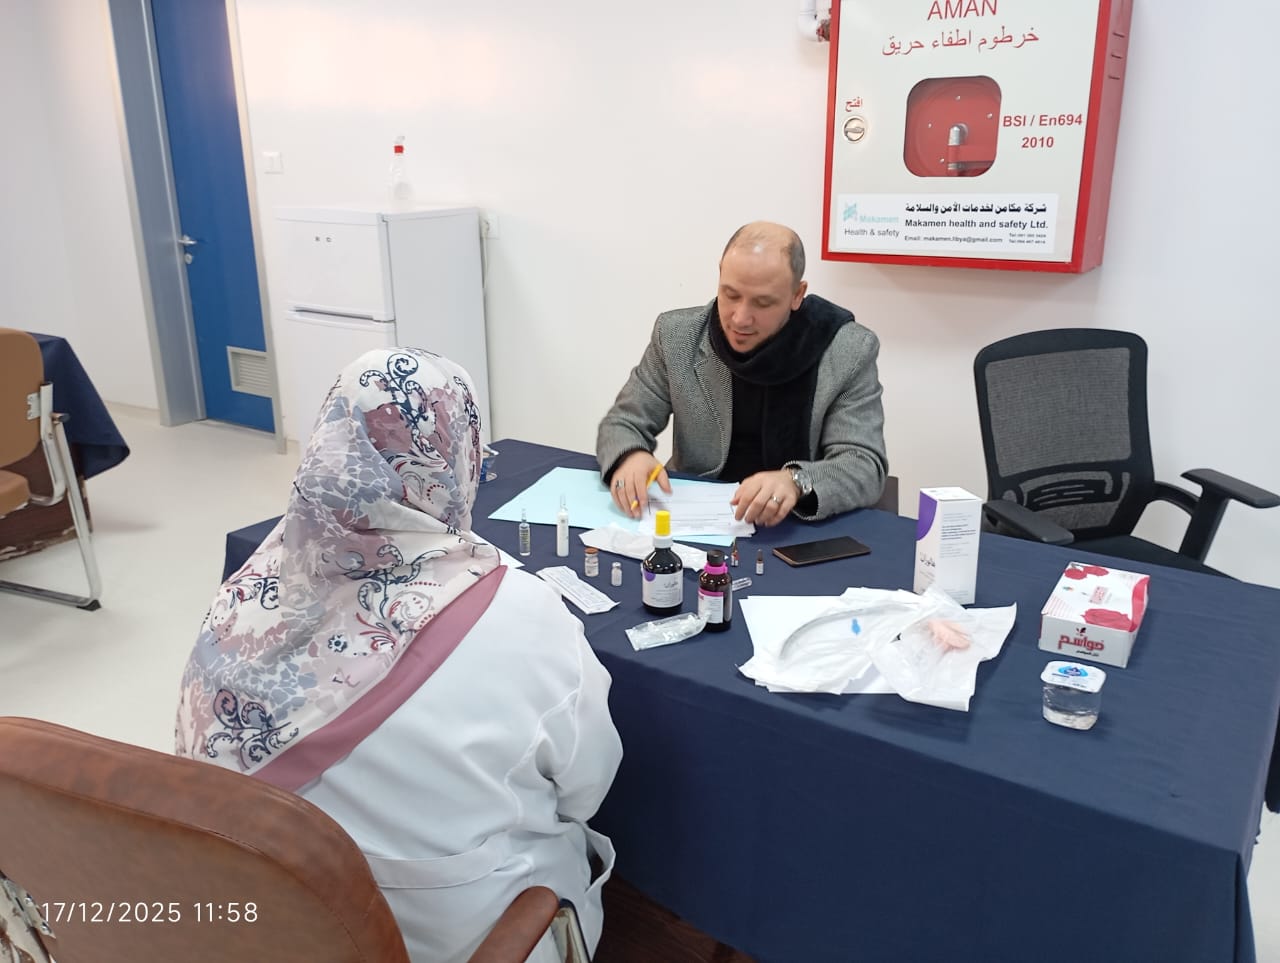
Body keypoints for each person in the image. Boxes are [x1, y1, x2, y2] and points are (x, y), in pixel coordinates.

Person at [175, 347, 621, 963]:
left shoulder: (246, 594)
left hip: (270, 927)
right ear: (458, 456)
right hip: (461, 935)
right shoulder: (524, 615)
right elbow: (586, 789)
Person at [597, 221, 887, 526]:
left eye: (763, 303)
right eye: (730, 294)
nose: (740, 318)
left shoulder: (847, 350)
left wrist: (795, 481)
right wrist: (629, 456)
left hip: (793, 526)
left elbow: (864, 465)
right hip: (696, 523)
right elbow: (622, 422)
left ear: (797, 295)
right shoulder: (676, 337)